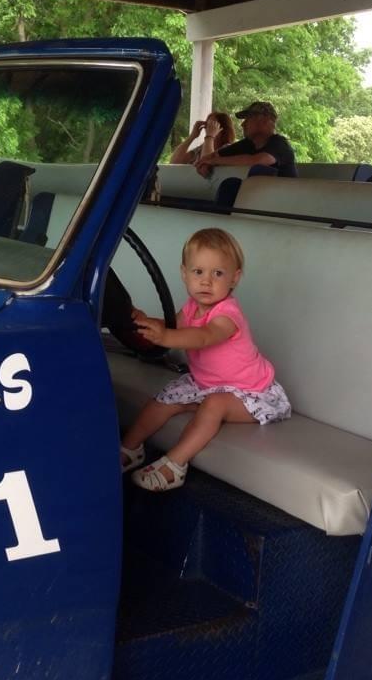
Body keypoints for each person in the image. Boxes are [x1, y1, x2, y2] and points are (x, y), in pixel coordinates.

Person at [120, 228, 291, 492]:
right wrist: (146, 323)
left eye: (218, 273)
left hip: (250, 392)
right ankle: (129, 449)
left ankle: (175, 465)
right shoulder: (191, 307)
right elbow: (172, 327)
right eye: (198, 272)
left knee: (213, 405)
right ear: (184, 273)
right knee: (163, 400)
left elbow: (203, 337)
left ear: (235, 278)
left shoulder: (228, 314)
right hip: (206, 384)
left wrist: (166, 337)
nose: (206, 282)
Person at [195, 101, 297, 178]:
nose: (242, 124)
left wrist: (214, 161)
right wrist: (205, 163)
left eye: (248, 119)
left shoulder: (279, 144)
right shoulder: (247, 144)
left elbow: (257, 161)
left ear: (265, 120)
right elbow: (212, 156)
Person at [169, 112, 236, 165]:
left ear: (222, 129)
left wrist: (210, 136)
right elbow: (174, 162)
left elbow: (206, 164)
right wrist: (192, 136)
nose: (207, 128)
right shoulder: (200, 150)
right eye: (207, 124)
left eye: (212, 125)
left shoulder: (228, 148)